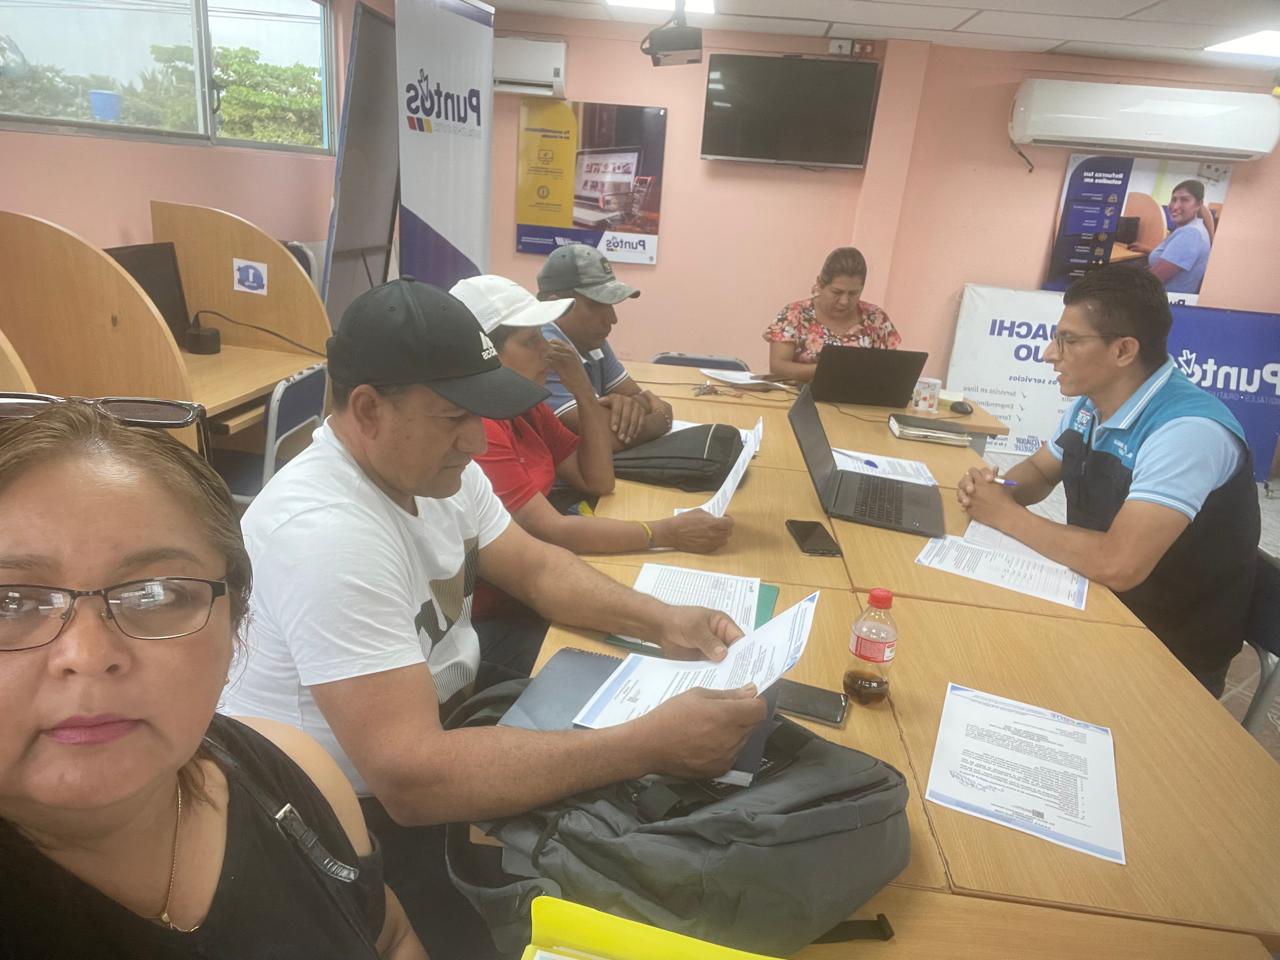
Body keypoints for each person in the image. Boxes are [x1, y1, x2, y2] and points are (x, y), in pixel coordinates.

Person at [221, 277, 768, 960]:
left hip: (442, 729)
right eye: (455, 416)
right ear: (367, 410)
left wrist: (663, 620)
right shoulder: (326, 533)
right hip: (347, 818)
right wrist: (646, 744)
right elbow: (412, 780)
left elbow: (538, 569)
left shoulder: (432, 468)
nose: (477, 440)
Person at [0, 401, 423, 960]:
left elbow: (389, 937)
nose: (89, 655)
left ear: (236, 624)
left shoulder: (297, 775)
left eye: (156, 594)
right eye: (10, 602)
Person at [955, 264, 1259, 697]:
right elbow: (1039, 472)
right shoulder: (1092, 405)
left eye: (1069, 340)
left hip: (1165, 654)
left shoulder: (1187, 430)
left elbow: (1119, 563)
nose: (1049, 354)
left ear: (1123, 351)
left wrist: (1004, 514)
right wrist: (997, 490)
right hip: (1094, 603)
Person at [449, 275, 735, 621]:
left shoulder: (526, 405)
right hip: (500, 610)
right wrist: (664, 532)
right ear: (486, 355)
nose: (546, 350)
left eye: (542, 335)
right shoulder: (481, 429)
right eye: (530, 340)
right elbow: (550, 530)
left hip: (537, 581)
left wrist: (583, 391)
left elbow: (597, 480)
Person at [535, 243, 675, 449]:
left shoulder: (590, 339)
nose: (612, 318)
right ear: (555, 306)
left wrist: (632, 404)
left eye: (610, 305)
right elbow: (604, 438)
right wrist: (662, 419)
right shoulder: (543, 349)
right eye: (596, 305)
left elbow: (635, 395)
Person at [765, 246, 900, 382]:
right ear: (820, 284)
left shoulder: (876, 319)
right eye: (836, 292)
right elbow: (778, 367)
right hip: (801, 394)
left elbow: (891, 369)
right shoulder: (795, 314)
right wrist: (832, 369)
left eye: (853, 293)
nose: (844, 301)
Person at [1127, 179, 1213, 295]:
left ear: (1198, 204)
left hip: (1162, 300)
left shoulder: (1190, 234)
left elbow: (1153, 280)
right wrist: (1149, 250)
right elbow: (1176, 257)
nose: (1175, 206)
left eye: (1184, 200)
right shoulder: (1196, 228)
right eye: (1174, 199)